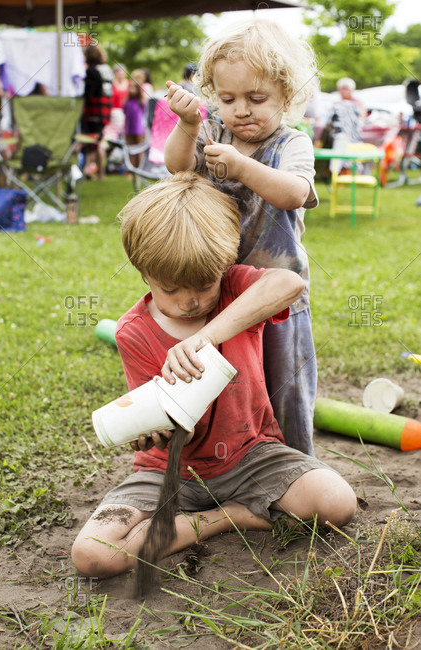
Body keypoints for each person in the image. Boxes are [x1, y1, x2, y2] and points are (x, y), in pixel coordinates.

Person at [71, 172, 357, 579]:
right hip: (169, 471)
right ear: (143, 271)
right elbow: (154, 413)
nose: (190, 301)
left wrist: (206, 336)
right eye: (171, 289)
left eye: (204, 285)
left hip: (252, 455)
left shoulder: (236, 293)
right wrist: (150, 429)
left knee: (336, 503)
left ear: (224, 265)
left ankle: (223, 512)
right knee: (93, 556)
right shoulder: (132, 332)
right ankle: (227, 517)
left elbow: (289, 283)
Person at [164, 19, 319, 456]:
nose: (242, 110)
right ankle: (233, 463)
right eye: (228, 99)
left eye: (257, 98)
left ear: (286, 97)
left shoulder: (292, 144)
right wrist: (190, 125)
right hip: (221, 291)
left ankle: (297, 465)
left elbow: (293, 194)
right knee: (227, 385)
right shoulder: (214, 131)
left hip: (278, 296)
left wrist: (242, 167)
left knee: (284, 385)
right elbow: (177, 166)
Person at [81, 44, 114, 179]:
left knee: (90, 142)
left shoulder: (92, 71)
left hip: (93, 111)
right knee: (98, 141)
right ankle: (100, 173)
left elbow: (89, 94)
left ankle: (88, 171)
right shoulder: (107, 69)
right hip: (105, 111)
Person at [124, 77, 146, 168]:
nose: (131, 89)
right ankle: (131, 169)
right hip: (129, 129)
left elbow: (144, 115)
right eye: (130, 87)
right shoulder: (127, 102)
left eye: (134, 87)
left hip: (139, 129)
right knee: (130, 150)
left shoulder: (141, 102)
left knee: (139, 150)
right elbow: (125, 113)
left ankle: (139, 168)